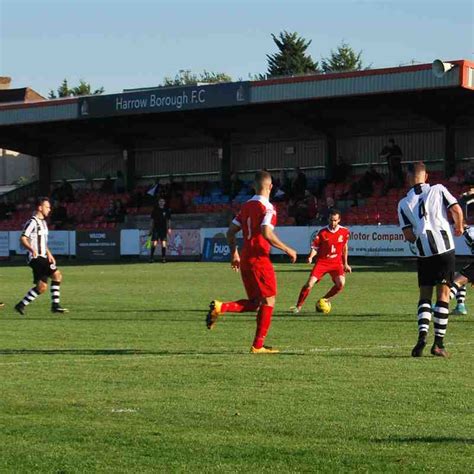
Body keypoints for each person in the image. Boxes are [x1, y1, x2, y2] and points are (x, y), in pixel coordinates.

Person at [206, 170, 297, 354]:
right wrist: (287, 249)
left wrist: (234, 254)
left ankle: (220, 306)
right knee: (269, 300)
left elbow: (230, 232)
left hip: (246, 257)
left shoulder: (245, 206)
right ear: (271, 187)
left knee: (256, 302)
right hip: (259, 259)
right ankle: (258, 345)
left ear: (254, 186)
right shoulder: (268, 208)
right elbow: (266, 232)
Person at [398, 162, 463, 358]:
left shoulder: (402, 203)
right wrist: (459, 227)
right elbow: (456, 210)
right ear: (426, 176)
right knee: (443, 295)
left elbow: (408, 235)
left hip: (423, 253)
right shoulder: (438, 189)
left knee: (424, 295)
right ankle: (438, 344)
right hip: (444, 250)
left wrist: (417, 235)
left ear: (408, 179)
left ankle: (421, 337)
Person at [14, 197, 68, 315]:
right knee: (57, 275)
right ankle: (55, 305)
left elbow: (43, 242)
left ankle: (21, 305)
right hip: (35, 257)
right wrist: (31, 249)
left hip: (43, 256)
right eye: (47, 207)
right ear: (40, 207)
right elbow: (23, 238)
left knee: (42, 287)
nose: (49, 209)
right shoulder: (32, 222)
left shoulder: (43, 223)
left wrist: (49, 254)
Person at [291, 209, 351, 314]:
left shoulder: (344, 231)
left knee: (341, 283)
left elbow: (345, 247)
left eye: (335, 220)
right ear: (328, 219)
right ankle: (298, 306)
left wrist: (345, 263)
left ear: (339, 220)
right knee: (309, 284)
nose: (333, 223)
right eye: (331, 220)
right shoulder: (322, 232)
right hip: (322, 262)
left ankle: (324, 300)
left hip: (336, 263)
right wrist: (311, 256)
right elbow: (315, 247)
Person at [449, 226, 474, 315]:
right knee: (458, 278)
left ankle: (440, 304)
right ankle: (460, 306)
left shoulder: (470, 232)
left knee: (456, 282)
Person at [149, 197, 171, 263]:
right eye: (160, 201)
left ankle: (163, 258)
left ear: (164, 203)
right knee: (154, 242)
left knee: (163, 242)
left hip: (163, 229)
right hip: (156, 228)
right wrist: (150, 229)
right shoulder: (155, 210)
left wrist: (169, 228)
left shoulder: (167, 210)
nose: (161, 202)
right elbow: (152, 220)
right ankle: (151, 258)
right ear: (158, 202)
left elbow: (168, 220)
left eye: (162, 201)